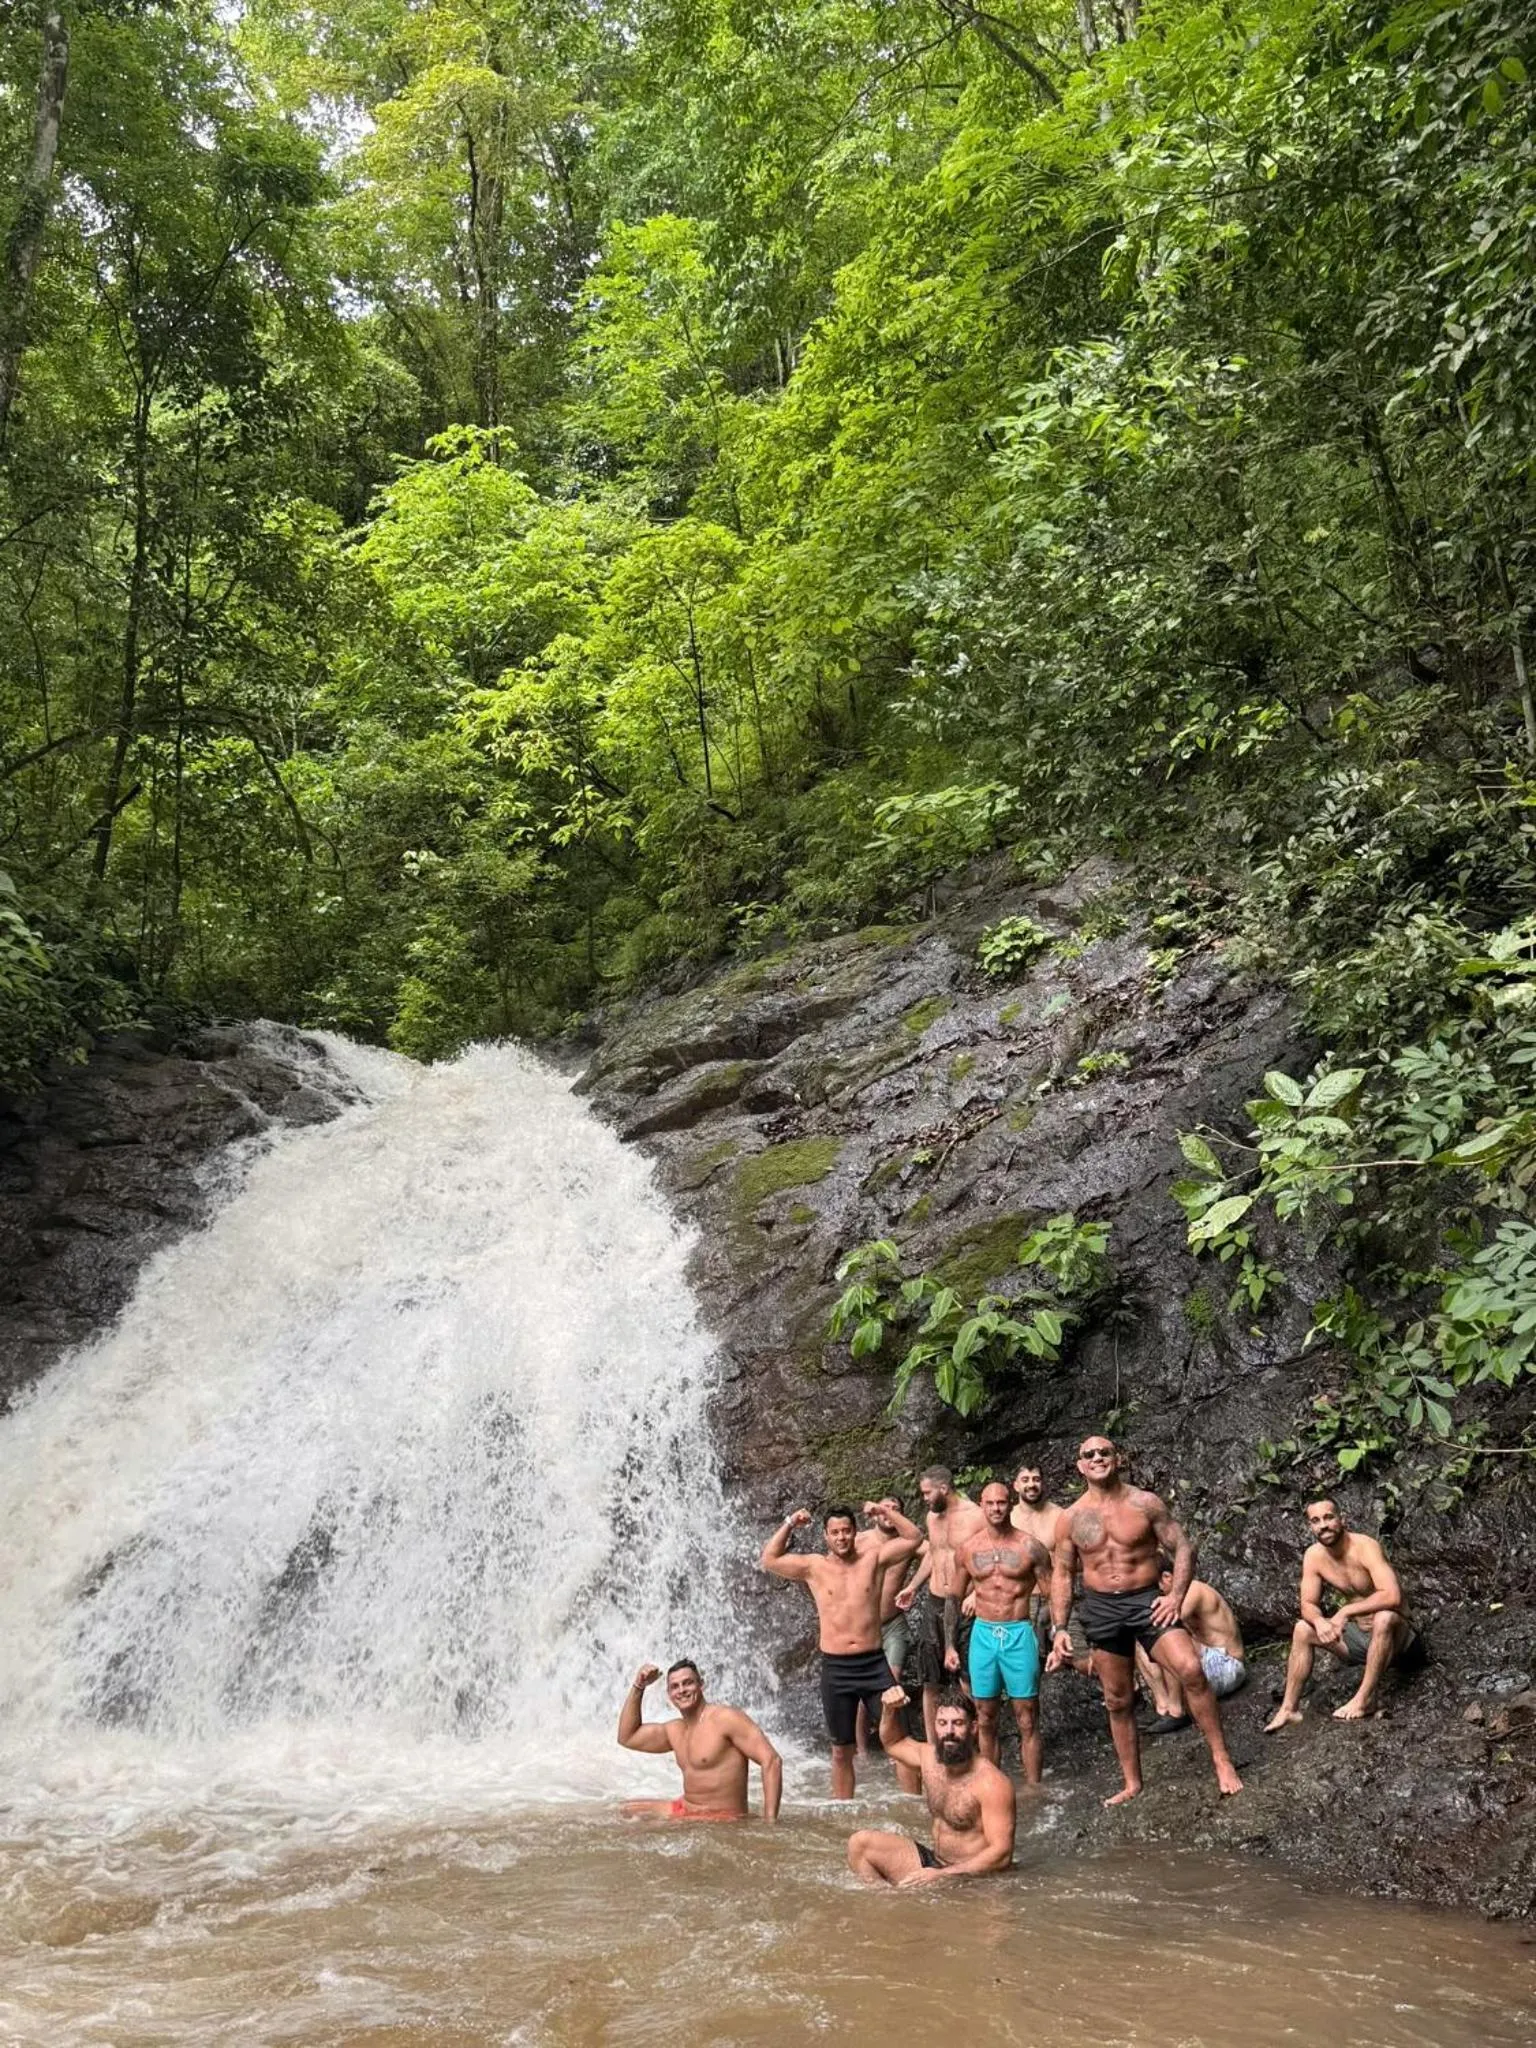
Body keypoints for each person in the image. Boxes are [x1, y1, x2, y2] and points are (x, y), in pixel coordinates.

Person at [1046, 1436, 1243, 1804]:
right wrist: (1059, 1628)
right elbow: (1061, 1573)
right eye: (1089, 1454)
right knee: (1117, 1699)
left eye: (1104, 1452)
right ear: (1080, 1466)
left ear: (1117, 1459)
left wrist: (1176, 1596)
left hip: (1145, 1599)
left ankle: (1221, 1759)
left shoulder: (1145, 1503)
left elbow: (1182, 1547)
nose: (1098, 1457)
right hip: (1101, 1607)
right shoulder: (1070, 1518)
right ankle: (1132, 1783)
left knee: (1190, 1669)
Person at [760, 1499, 923, 1798]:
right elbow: (769, 1558)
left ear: (855, 1531)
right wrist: (789, 1523)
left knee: (899, 1741)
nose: (841, 1538)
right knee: (840, 1751)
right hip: (836, 1669)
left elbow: (914, 1538)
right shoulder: (813, 1566)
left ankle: (914, 1804)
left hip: (874, 1664)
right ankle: (844, 1811)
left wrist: (885, 1512)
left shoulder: (873, 1560)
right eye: (834, 1533)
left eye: (846, 1531)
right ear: (825, 1535)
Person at [1264, 1499, 1422, 1729]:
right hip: (1362, 1643)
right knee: (1302, 1628)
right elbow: (1307, 1604)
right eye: (1315, 1521)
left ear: (1342, 1518)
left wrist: (1346, 1611)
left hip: (1401, 1642)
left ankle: (1365, 1699)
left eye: (1328, 1517)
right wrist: (1319, 1622)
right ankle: (1289, 1709)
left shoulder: (1365, 1547)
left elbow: (1392, 1596)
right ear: (1310, 1527)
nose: (1323, 1525)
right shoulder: (1314, 1556)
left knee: (1384, 1616)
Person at [847, 1686, 1016, 1885]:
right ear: (934, 1726)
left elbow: (1002, 1854)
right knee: (860, 1845)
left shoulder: (992, 1783)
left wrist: (943, 1875)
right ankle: (886, 1904)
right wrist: (889, 1710)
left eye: (958, 1723)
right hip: (936, 1865)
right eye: (942, 1723)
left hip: (974, 1879)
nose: (949, 1732)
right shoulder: (929, 1758)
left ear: (973, 1727)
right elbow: (893, 1743)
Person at [946, 1479, 1046, 1784]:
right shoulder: (968, 1549)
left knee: (1027, 1716)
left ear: (1010, 1504)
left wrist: (1046, 1636)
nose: (996, 1508)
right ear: (981, 1505)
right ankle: (993, 1785)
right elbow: (952, 1597)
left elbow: (1051, 1592)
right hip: (983, 1634)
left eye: (1001, 1502)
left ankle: (1033, 1787)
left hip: (1018, 1631)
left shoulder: (1030, 1546)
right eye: (990, 1503)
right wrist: (949, 1645)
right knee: (985, 1716)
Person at [617, 1659, 782, 1821]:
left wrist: (770, 1823)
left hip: (721, 1819)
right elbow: (627, 1737)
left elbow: (771, 1761)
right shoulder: (675, 1730)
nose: (681, 1690)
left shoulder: (726, 1719)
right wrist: (639, 1686)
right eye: (675, 1686)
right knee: (623, 1811)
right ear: (669, 1695)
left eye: (687, 1683)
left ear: (701, 1684)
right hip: (687, 1809)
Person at [894, 1466, 985, 1740]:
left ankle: (971, 1746)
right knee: (930, 1681)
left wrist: (977, 1594)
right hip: (934, 1603)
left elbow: (991, 1556)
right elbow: (934, 1554)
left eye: (926, 1492)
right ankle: (935, 1749)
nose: (923, 1498)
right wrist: (912, 1586)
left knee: (968, 1680)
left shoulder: (976, 1517)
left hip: (965, 1605)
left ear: (943, 1488)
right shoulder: (933, 1517)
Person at [1136, 1559, 1247, 1732]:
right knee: (1139, 1641)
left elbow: (1167, 1621)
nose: (1156, 1594)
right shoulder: (1181, 1594)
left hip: (1228, 1666)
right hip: (1209, 1667)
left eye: (1156, 1587)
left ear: (1167, 1577)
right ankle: (1164, 1706)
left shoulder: (1194, 1589)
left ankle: (1176, 1710)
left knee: (1166, 1638)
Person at [1010, 1463, 1064, 1651]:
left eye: (1036, 1479)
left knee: (1077, 1656)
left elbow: (1073, 1559)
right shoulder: (1009, 1519)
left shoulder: (1059, 1516)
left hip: (1056, 1597)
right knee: (1026, 1661)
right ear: (1016, 1485)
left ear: (1043, 1483)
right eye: (1025, 1480)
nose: (1031, 1484)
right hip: (1021, 1599)